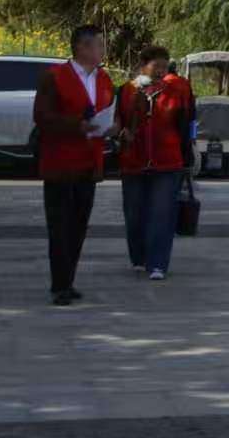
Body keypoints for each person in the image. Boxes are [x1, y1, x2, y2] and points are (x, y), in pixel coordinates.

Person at [32, 25, 115, 306]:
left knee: (79, 225)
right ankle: (60, 285)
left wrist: (112, 126)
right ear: (82, 47)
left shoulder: (103, 79)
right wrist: (77, 125)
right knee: (60, 226)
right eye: (98, 45)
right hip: (60, 163)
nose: (102, 50)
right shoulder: (54, 77)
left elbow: (108, 111)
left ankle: (68, 280)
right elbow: (42, 117)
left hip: (90, 163)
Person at [115, 45, 194, 281]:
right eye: (155, 66)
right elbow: (118, 121)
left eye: (164, 66)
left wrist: (188, 158)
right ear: (143, 65)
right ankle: (138, 258)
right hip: (133, 161)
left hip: (167, 161)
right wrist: (121, 135)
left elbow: (189, 122)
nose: (160, 71)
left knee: (162, 213)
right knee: (134, 212)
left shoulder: (178, 89)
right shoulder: (126, 91)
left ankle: (158, 263)